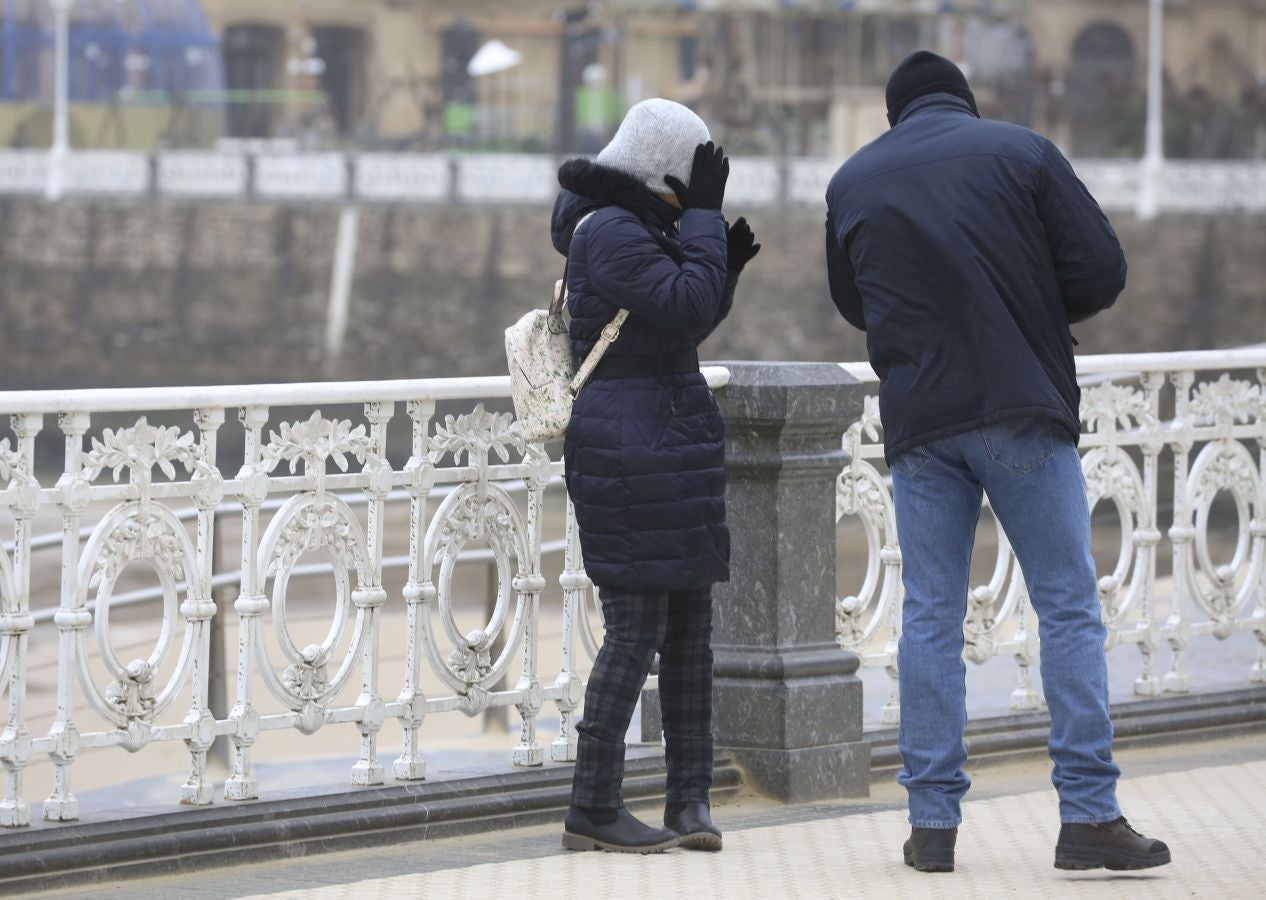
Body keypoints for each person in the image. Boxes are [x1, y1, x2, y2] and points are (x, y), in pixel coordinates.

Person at [825, 51, 1171, 874]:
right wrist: (1029, 302)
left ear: (895, 115)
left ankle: (931, 826)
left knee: (930, 616)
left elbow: (855, 303)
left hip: (920, 423)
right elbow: (1102, 271)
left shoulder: (852, 182)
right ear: (964, 102)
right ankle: (1088, 816)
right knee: (1068, 606)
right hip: (1020, 406)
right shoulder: (1022, 152)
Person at [549, 99, 760, 853]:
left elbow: (682, 324)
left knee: (691, 635)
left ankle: (689, 802)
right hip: (627, 446)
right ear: (664, 171)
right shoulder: (608, 230)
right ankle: (593, 804)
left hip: (670, 441)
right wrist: (704, 225)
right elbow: (683, 300)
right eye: (693, 180)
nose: (701, 193)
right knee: (636, 631)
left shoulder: (642, 227)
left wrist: (721, 264)